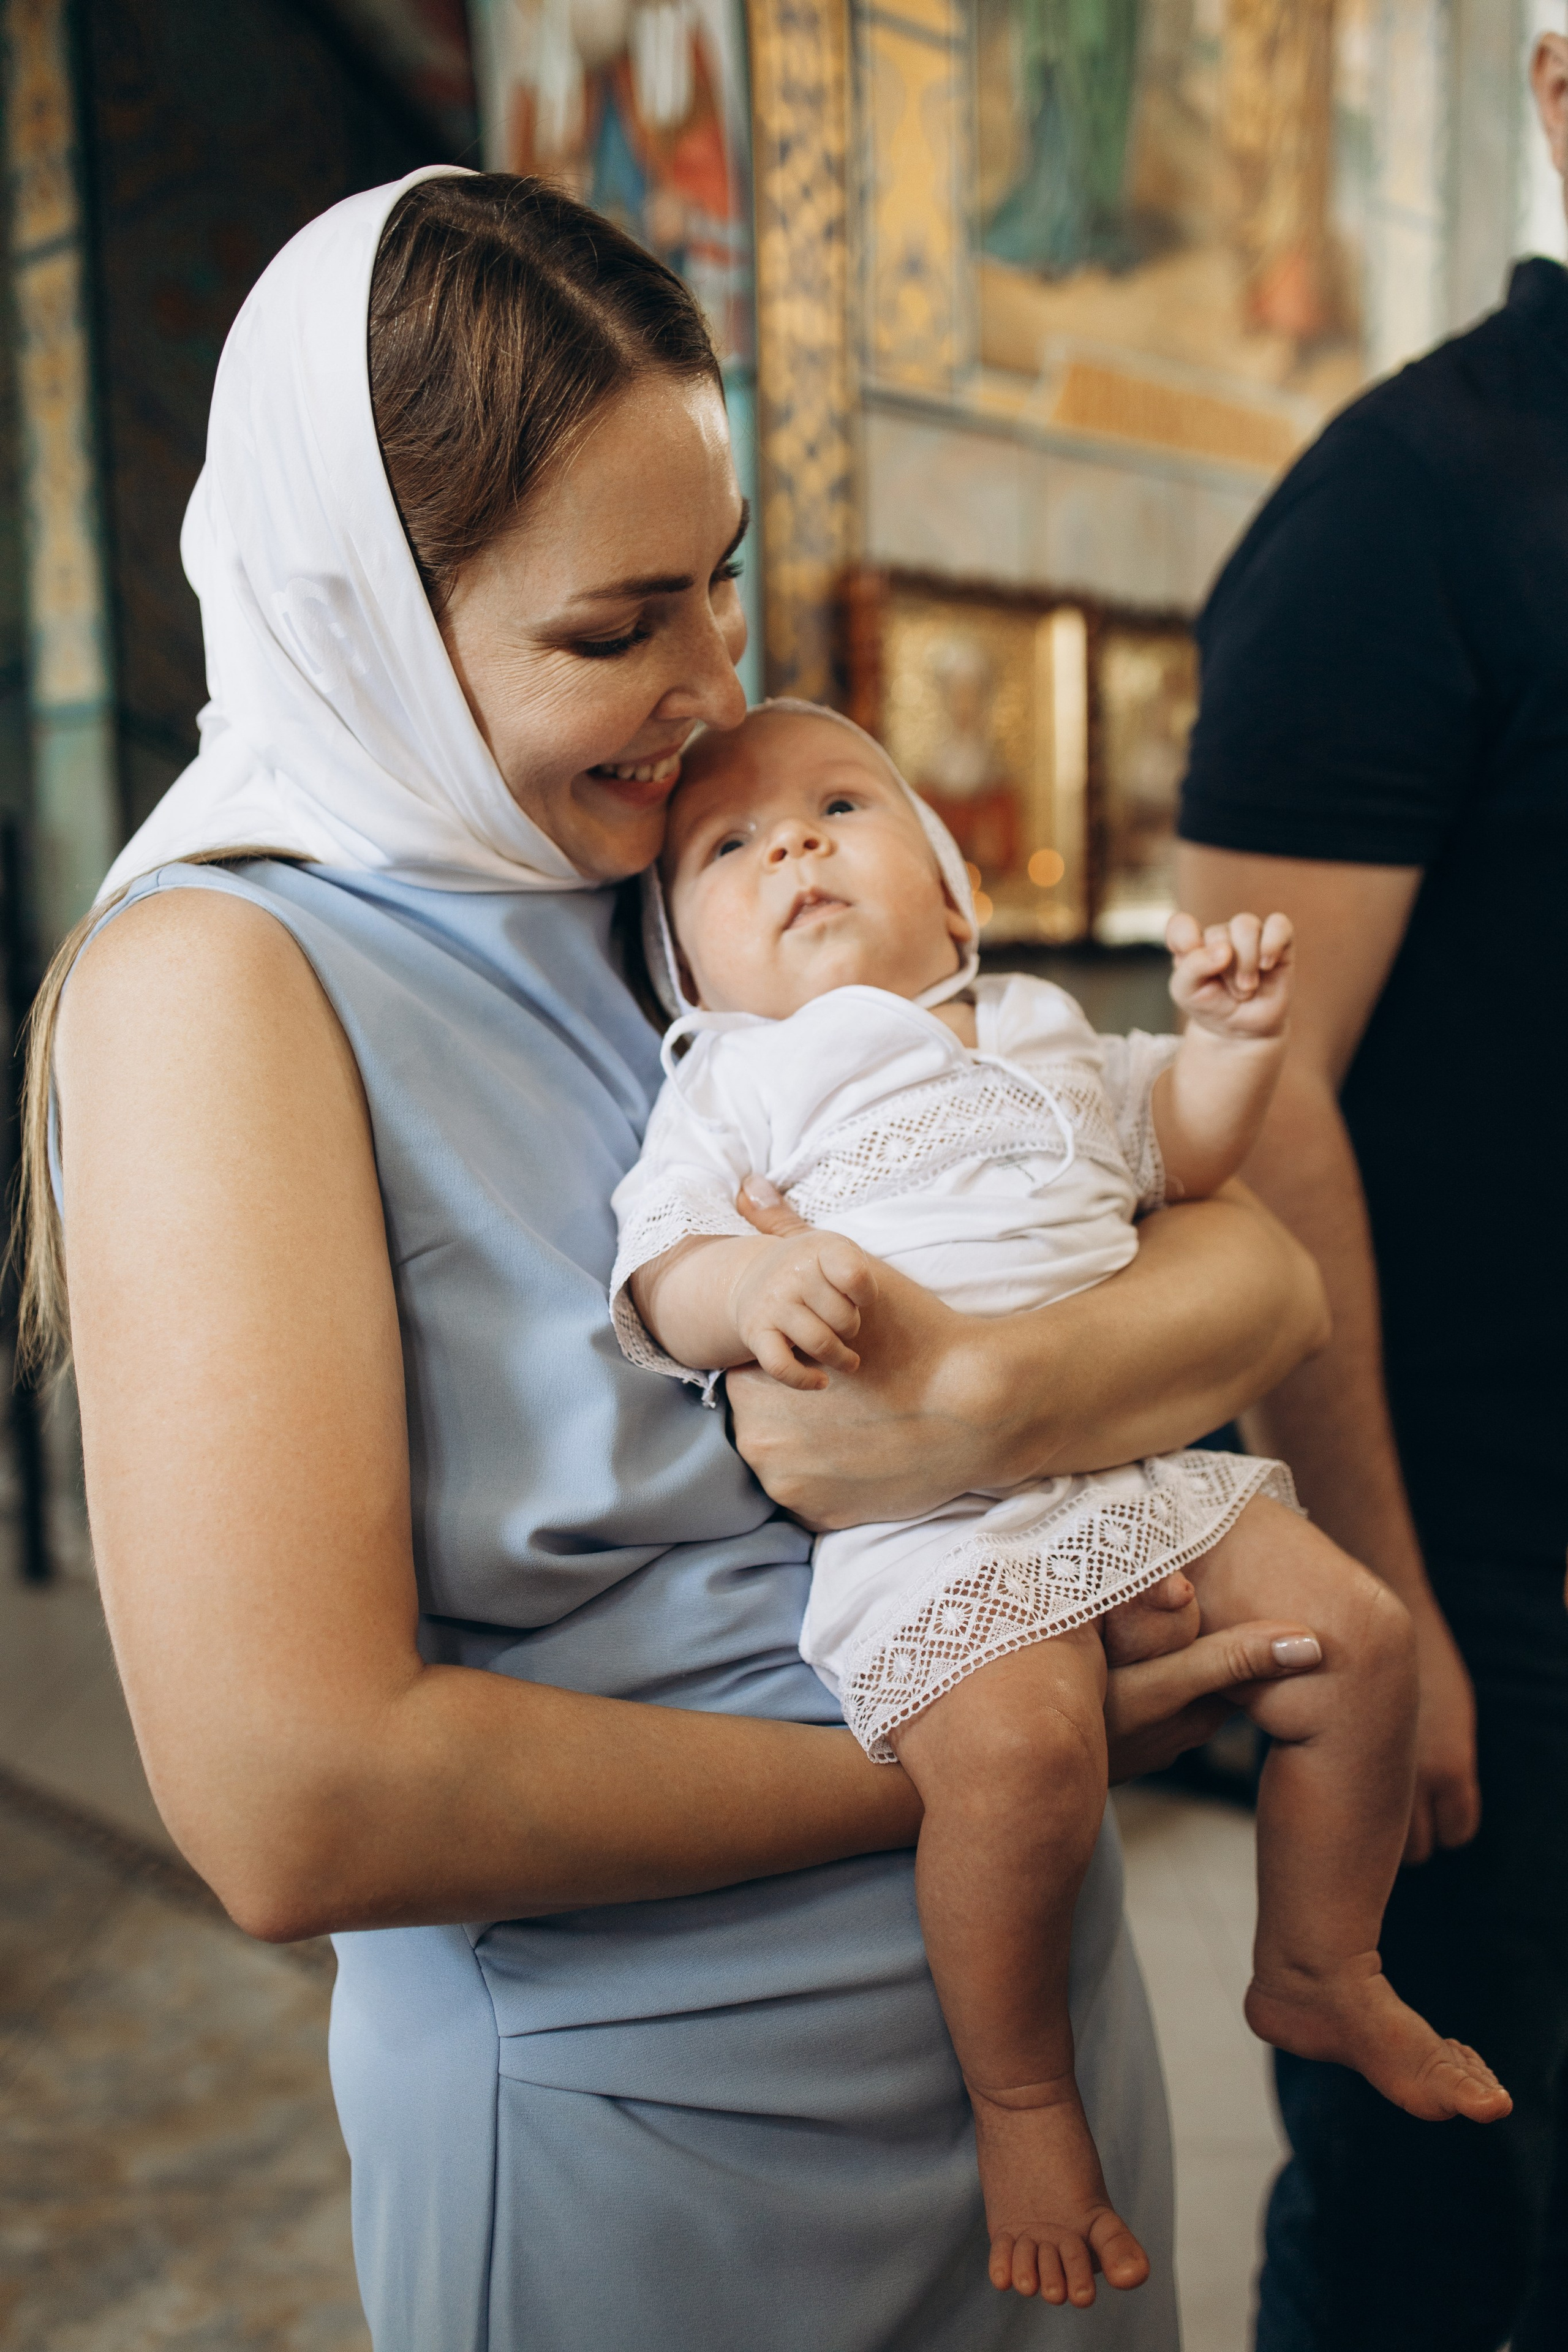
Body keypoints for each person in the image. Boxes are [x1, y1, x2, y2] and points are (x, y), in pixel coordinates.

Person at [29, 170, 1332, 2352]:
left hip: (1021, 2005)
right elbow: (296, 1805)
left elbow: (1241, 1258)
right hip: (648, 2119)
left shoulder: (697, 865)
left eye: (711, 592)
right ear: (366, 615)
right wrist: (975, 1743)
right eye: (612, 631)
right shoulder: (224, 985)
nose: (712, 690)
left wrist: (998, 1407)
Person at [611, 701, 1510, 2310]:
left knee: (1358, 1642)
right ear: (688, 969)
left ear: (955, 898)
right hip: (932, 1533)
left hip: (1141, 1475)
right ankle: (1024, 2106)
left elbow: (1184, 1153)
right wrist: (754, 1283)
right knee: (1022, 1760)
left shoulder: (1031, 1025)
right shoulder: (730, 1087)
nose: (795, 846)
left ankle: (1318, 1965)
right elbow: (661, 1269)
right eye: (728, 848)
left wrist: (1232, 1048)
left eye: (838, 807)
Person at [1176, 34, 1568, 2352]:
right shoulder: (1407, 505)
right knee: (1449, 2235)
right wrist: (1379, 1604)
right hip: (1496, 1574)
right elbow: (1260, 1105)